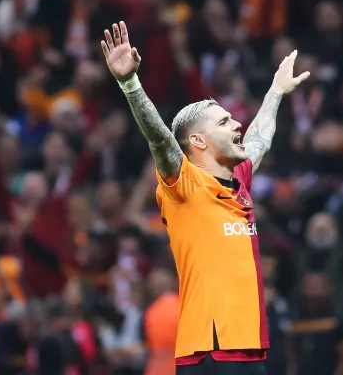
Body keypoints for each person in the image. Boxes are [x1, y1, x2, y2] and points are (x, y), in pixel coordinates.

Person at [99, 21, 310, 375]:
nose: (237, 125)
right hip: (209, 352)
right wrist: (130, 84)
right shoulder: (184, 185)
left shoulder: (238, 180)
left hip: (250, 348)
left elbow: (260, 138)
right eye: (225, 123)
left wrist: (275, 92)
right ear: (198, 141)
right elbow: (161, 140)